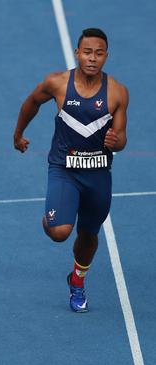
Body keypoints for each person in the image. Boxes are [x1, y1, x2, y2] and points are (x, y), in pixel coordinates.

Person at [13, 28, 129, 312]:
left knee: (88, 236)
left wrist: (118, 141)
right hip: (64, 169)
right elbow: (31, 102)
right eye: (87, 52)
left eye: (98, 53)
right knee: (59, 232)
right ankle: (52, 217)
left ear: (106, 56)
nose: (92, 58)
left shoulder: (116, 92)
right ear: (77, 53)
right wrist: (18, 134)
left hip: (98, 175)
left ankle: (77, 280)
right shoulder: (57, 83)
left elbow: (122, 137)